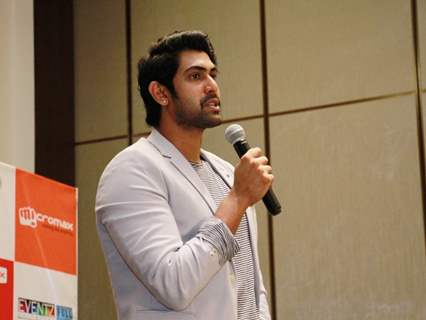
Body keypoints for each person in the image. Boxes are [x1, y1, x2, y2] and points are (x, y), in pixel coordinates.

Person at [96, 30, 273, 320]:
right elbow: (173, 284)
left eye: (213, 74)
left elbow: (250, 285)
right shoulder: (131, 170)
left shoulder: (228, 173)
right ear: (161, 93)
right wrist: (238, 198)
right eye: (196, 76)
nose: (212, 86)